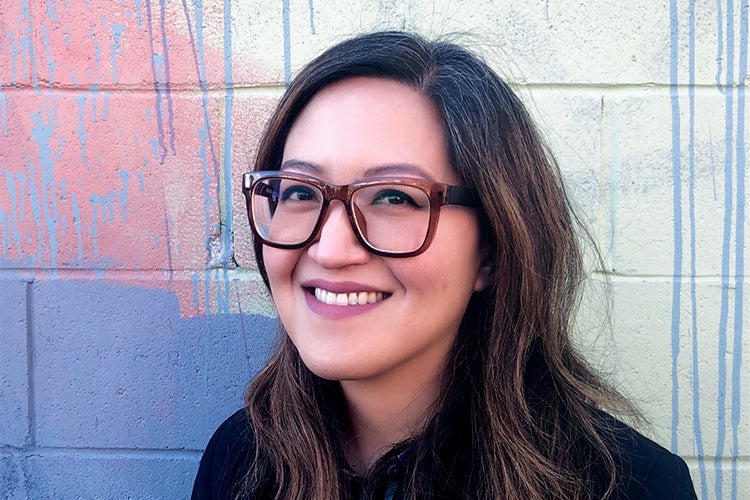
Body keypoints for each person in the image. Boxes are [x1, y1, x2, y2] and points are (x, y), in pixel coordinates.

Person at [192, 31, 697, 499]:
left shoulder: (628, 486)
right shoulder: (240, 461)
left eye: (394, 197)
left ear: (492, 250)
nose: (330, 249)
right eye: (300, 192)